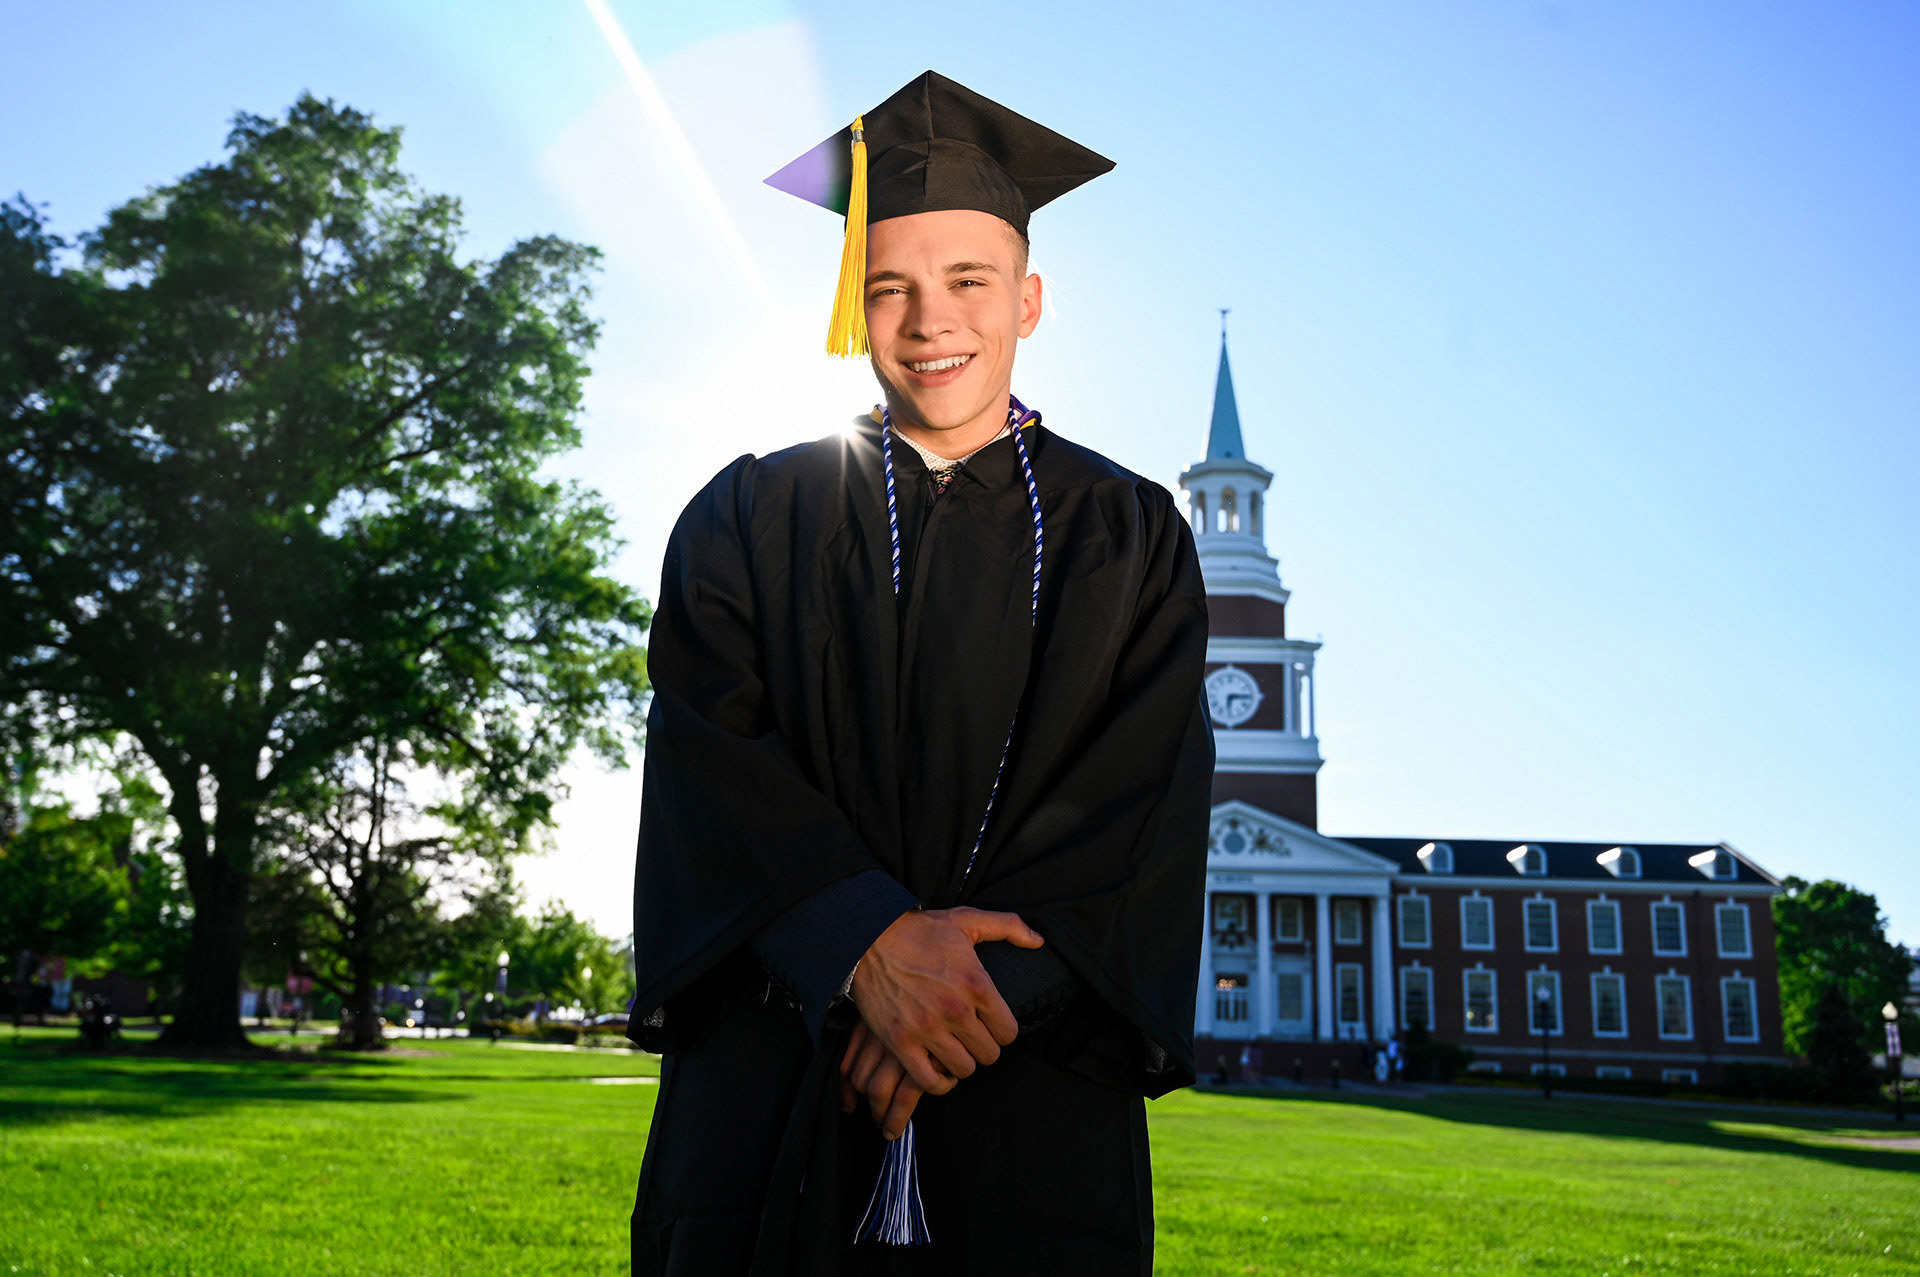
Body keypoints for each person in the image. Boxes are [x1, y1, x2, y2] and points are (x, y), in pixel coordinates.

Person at [627, 70, 1214, 1276]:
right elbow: (709, 760)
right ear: (852, 305)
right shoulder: (749, 513)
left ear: (1030, 301)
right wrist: (861, 945)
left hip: (1026, 1101)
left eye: (968, 281)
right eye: (887, 286)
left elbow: (1139, 805)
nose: (929, 319)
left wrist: (947, 998)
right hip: (776, 1088)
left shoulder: (1130, 533)